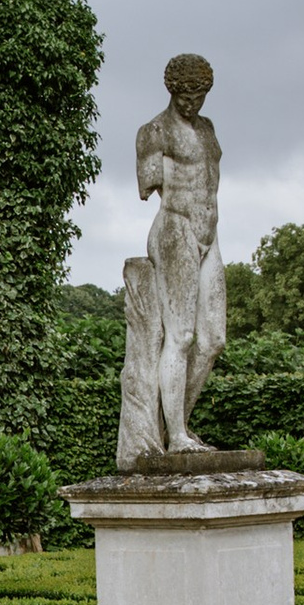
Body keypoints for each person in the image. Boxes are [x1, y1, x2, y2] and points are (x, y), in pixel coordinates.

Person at [117, 52, 227, 462]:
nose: (191, 104)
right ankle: (177, 435)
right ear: (171, 91)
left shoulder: (208, 128)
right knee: (180, 336)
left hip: (209, 233)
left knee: (213, 340)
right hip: (174, 229)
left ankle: (176, 423)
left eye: (198, 97)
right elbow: (146, 186)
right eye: (184, 97)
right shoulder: (154, 131)